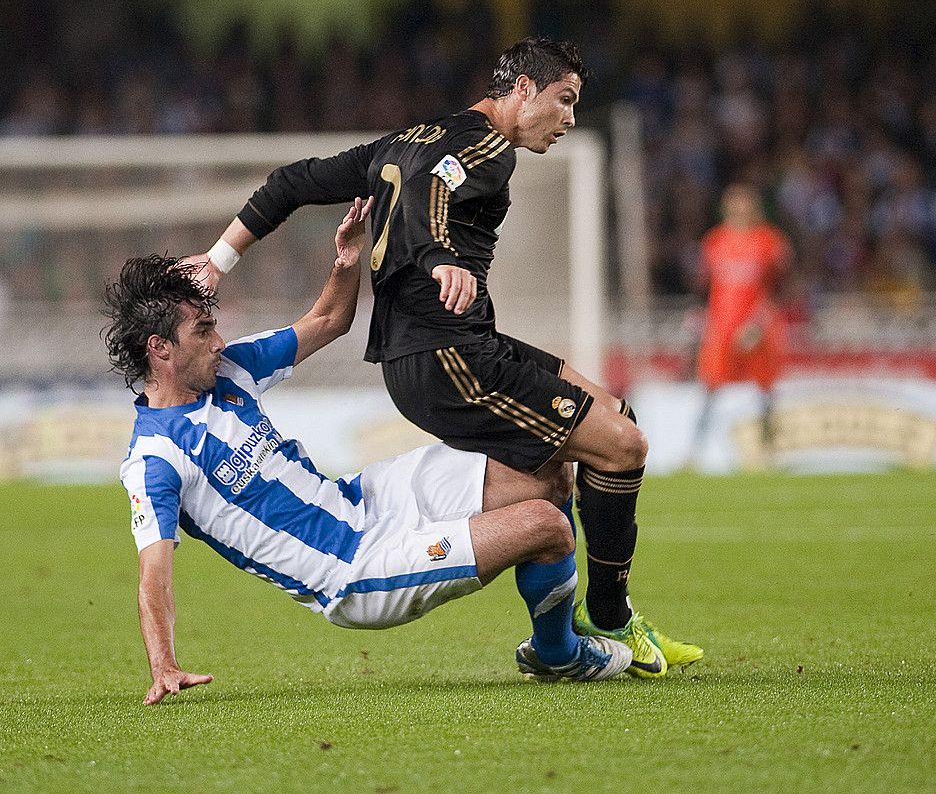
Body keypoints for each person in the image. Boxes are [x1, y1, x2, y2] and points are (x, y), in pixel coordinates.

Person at [193, 38, 700, 677]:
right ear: (522, 88)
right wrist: (438, 258)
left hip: (452, 350)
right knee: (622, 447)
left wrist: (217, 260)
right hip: (447, 357)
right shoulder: (485, 148)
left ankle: (560, 644)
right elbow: (426, 200)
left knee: (589, 437)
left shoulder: (400, 144)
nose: (569, 119)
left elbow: (290, 182)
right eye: (565, 100)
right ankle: (611, 615)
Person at [107, 198, 633, 706]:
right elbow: (153, 576)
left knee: (548, 463)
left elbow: (328, 321)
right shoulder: (155, 458)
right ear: (160, 349)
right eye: (203, 331)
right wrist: (164, 665)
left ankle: (562, 624)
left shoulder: (231, 369)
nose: (220, 340)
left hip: (367, 498)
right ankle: (558, 652)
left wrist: (347, 260)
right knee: (548, 526)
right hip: (354, 570)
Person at [688, 183, 791, 467]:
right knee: (710, 389)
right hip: (722, 328)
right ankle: (695, 452)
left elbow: (780, 289)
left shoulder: (770, 241)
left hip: (757, 329)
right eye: (733, 205)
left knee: (766, 390)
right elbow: (705, 288)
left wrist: (758, 322)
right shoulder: (714, 242)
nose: (738, 211)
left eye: (743, 205)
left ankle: (770, 452)